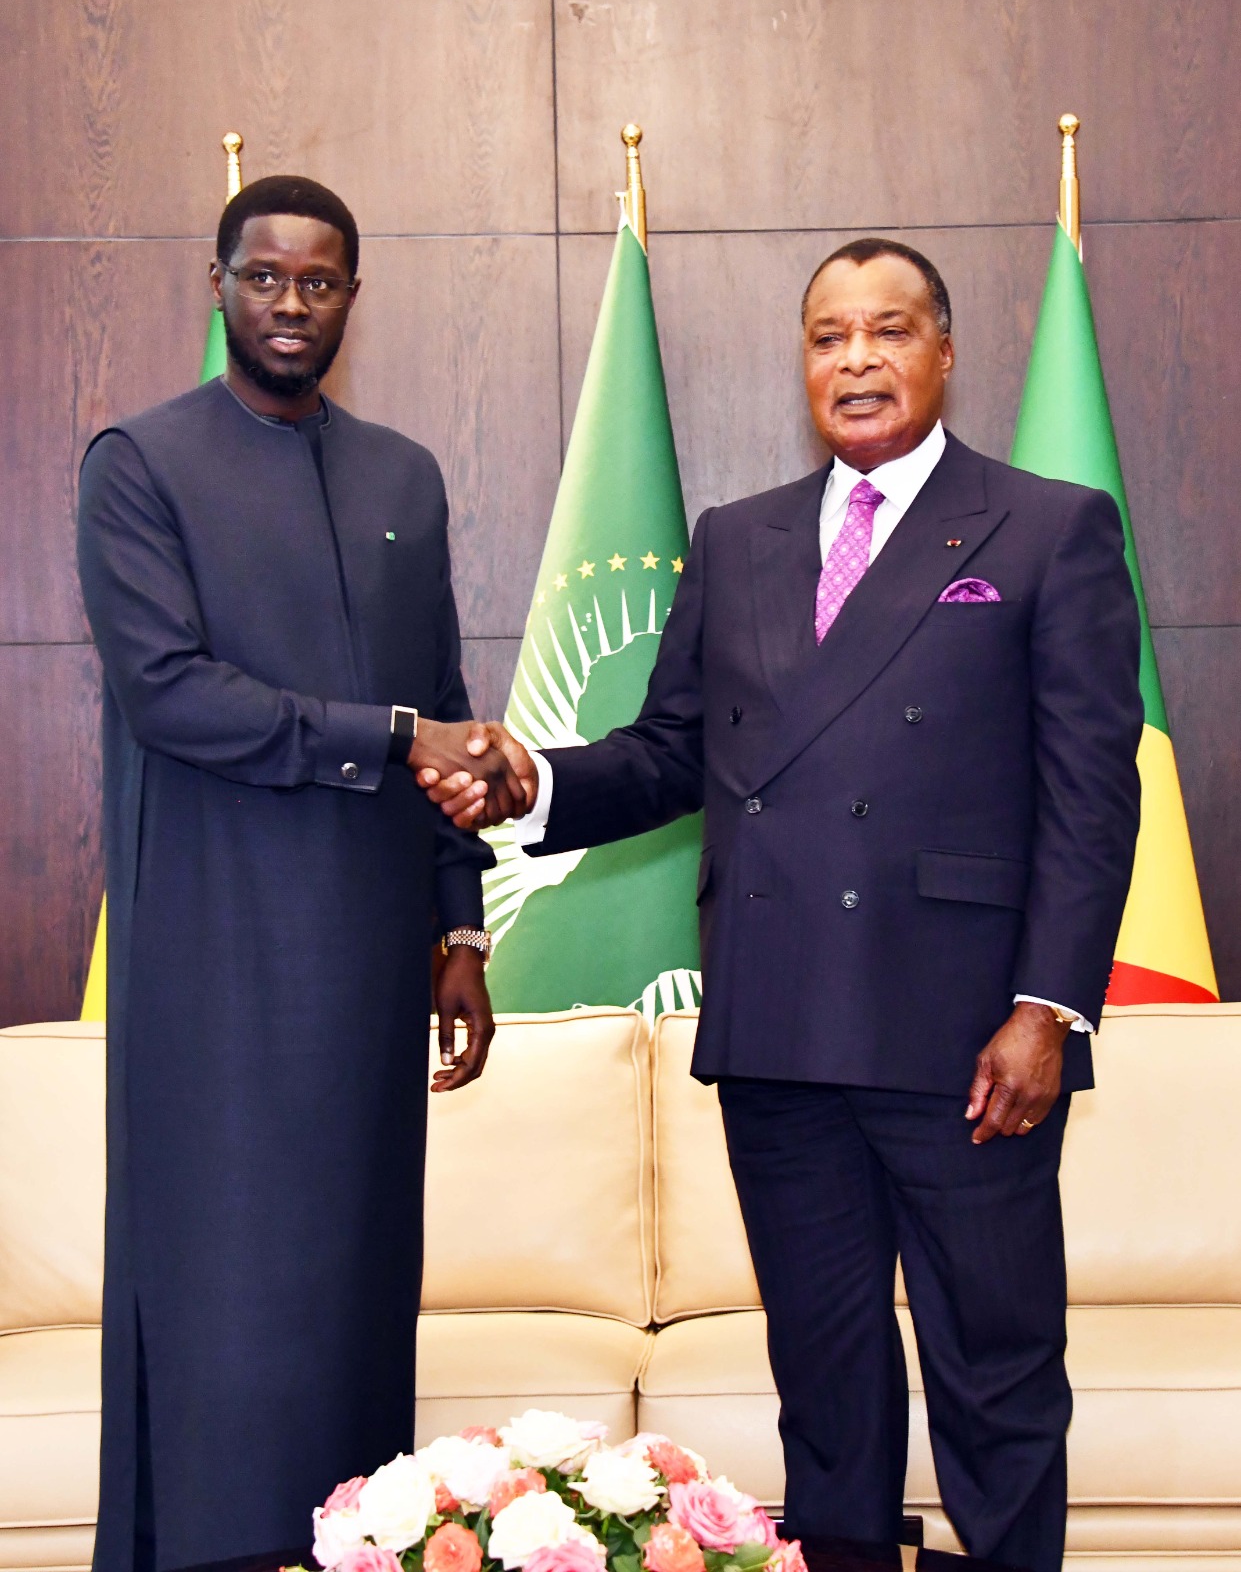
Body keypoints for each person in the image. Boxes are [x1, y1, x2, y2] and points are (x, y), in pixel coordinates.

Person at [425, 239, 1143, 1572]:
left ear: (944, 351)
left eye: (888, 331)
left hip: (968, 1040)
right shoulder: (737, 537)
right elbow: (669, 753)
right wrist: (534, 780)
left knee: (994, 1373)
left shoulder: (1047, 526)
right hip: (780, 1028)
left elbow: (1092, 796)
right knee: (823, 1379)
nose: (855, 359)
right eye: (827, 337)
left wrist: (1046, 1008)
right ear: (802, 362)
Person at [77, 174, 531, 1572]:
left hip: (370, 958)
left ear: (351, 299)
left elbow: (442, 700)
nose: (291, 303)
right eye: (265, 276)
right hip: (213, 954)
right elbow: (170, 693)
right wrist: (392, 736)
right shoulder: (138, 462)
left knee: (353, 1286)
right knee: (223, 1289)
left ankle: (358, 1549)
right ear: (217, 284)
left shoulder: (404, 474)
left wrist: (458, 931)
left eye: (319, 282)